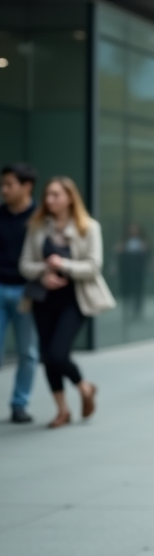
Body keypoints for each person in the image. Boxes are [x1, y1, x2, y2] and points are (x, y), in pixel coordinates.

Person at [19, 177, 114, 428]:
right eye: (47, 194)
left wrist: (64, 265)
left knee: (58, 354)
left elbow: (94, 266)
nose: (49, 199)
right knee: (47, 356)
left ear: (70, 198)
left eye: (55, 194)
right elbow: (25, 264)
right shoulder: (37, 226)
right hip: (43, 299)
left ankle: (83, 386)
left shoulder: (89, 227)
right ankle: (62, 409)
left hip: (76, 299)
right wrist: (43, 272)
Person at [1, 163, 39, 424]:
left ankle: (19, 404)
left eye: (9, 185)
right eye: (2, 185)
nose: (4, 190)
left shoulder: (40, 217)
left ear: (27, 186)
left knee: (27, 352)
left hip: (27, 292)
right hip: (0, 288)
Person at [115, 222, 150, 323]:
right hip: (127, 270)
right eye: (132, 229)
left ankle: (137, 311)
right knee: (127, 291)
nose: (133, 231)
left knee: (138, 291)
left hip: (138, 270)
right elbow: (119, 254)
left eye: (135, 229)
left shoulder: (142, 241)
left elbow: (148, 254)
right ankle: (127, 310)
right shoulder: (125, 241)